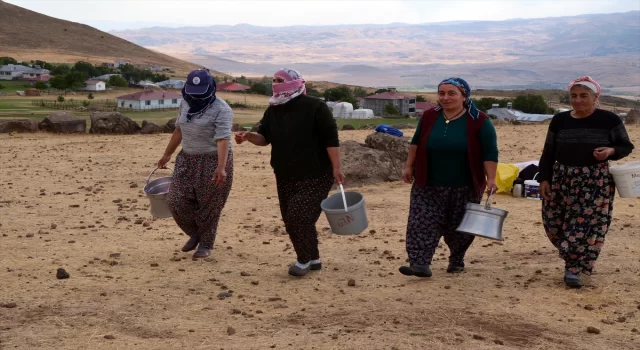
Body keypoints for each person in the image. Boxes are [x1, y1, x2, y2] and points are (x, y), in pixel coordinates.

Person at [234, 68, 344, 277]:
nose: (276, 83)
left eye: (280, 80)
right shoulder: (273, 109)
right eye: (274, 80)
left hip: (316, 173)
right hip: (284, 174)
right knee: (291, 218)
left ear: (295, 82)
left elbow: (331, 140)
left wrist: (337, 168)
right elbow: (265, 138)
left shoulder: (315, 107)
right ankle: (313, 258)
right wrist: (249, 136)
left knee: (299, 215)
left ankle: (302, 260)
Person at [538, 76, 634, 288]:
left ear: (595, 97)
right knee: (554, 223)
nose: (578, 100)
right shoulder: (560, 121)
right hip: (561, 179)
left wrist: (611, 151)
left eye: (584, 96)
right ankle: (575, 258)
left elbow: (626, 146)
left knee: (586, 225)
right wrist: (544, 178)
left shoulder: (610, 120)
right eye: (574, 96)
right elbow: (548, 151)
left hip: (595, 181)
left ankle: (574, 269)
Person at [399, 77, 499, 278]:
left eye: (451, 93)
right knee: (421, 222)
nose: (445, 98)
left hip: (464, 185)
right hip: (427, 182)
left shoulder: (479, 121)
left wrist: (491, 179)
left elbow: (490, 152)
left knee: (459, 228)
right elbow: (416, 143)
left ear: (464, 96)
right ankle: (420, 263)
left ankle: (456, 258)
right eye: (442, 93)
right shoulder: (429, 116)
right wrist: (409, 166)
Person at [157, 69, 234, 259]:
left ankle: (205, 245)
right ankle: (197, 234)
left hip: (213, 161)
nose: (195, 95)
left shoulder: (222, 109)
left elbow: (223, 139)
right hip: (187, 159)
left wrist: (221, 167)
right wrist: (167, 154)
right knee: (176, 201)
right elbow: (178, 130)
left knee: (209, 205)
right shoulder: (184, 103)